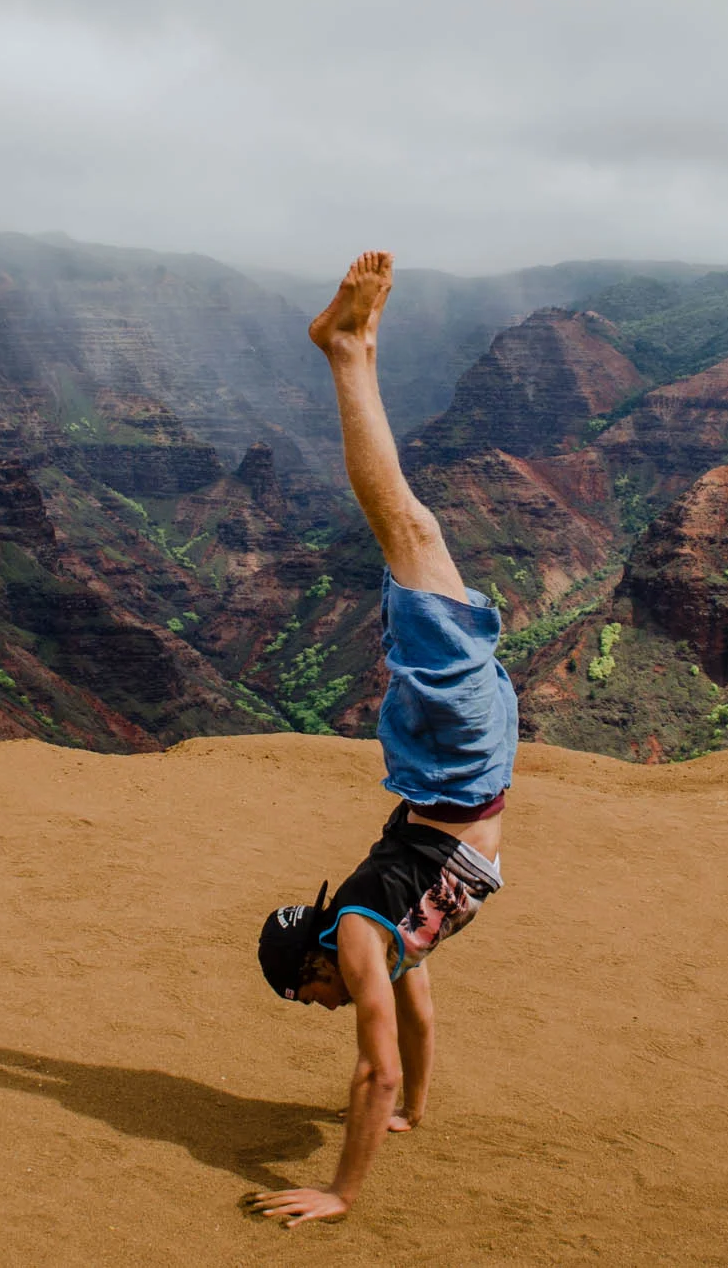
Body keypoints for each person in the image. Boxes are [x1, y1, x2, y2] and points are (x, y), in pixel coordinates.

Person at [246, 251, 517, 1229]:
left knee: (403, 525)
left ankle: (346, 350)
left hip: (460, 766)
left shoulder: (360, 935)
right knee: (414, 531)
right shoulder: (386, 938)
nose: (320, 1004)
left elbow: (375, 1056)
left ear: (311, 962)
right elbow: (419, 1019)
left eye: (305, 995)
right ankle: (354, 352)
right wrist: (416, 1111)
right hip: (458, 774)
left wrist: (340, 1188)